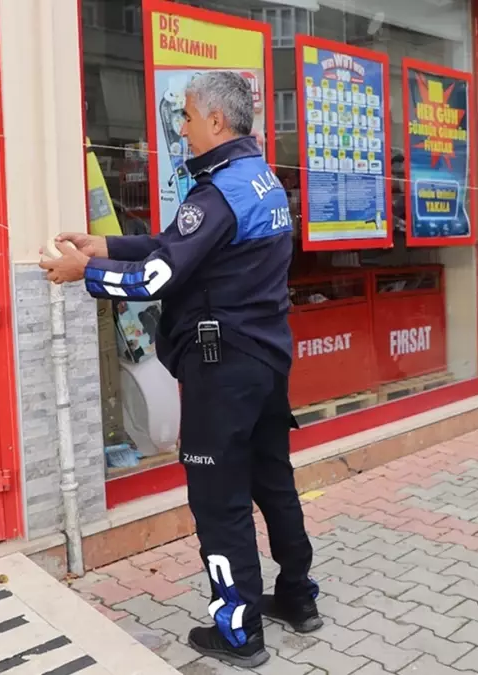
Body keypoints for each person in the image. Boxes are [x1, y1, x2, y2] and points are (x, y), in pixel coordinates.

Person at [39, 70, 319, 669]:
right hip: (268, 360)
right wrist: (104, 245)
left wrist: (81, 275)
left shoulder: (218, 192)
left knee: (219, 502)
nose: (183, 128)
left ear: (216, 120)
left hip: (224, 370)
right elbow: (179, 246)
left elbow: (158, 277)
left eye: (188, 117)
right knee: (273, 481)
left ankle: (239, 632)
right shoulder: (261, 180)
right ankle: (298, 597)